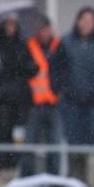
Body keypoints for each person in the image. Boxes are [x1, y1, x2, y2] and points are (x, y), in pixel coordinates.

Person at [52, 7, 94, 179]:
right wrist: (58, 91)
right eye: (83, 19)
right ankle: (75, 179)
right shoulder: (66, 42)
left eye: (90, 20)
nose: (86, 24)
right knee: (74, 143)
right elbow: (54, 67)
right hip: (70, 102)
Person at [0, 15, 38, 174]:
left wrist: (23, 66)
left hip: (19, 102)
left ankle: (16, 168)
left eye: (13, 24)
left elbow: (33, 68)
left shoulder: (22, 45)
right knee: (2, 135)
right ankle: (2, 170)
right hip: (1, 102)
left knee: (18, 136)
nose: (10, 28)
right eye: (7, 24)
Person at [20, 16, 63, 176]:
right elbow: (22, 70)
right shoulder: (28, 47)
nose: (44, 32)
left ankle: (54, 177)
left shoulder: (59, 45)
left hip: (54, 103)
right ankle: (27, 176)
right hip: (34, 103)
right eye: (41, 29)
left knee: (54, 144)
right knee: (29, 144)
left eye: (46, 29)